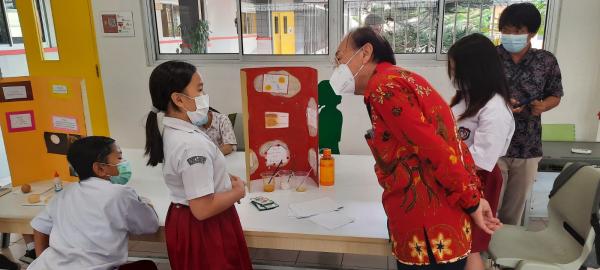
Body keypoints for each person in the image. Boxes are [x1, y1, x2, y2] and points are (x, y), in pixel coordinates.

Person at [330, 26, 501, 269]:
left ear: (365, 52)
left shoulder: (384, 88)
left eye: (339, 58)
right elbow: (450, 145)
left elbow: (435, 150)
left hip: (428, 228)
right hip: (441, 220)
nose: (337, 68)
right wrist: (473, 196)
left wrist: (473, 201)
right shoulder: (399, 78)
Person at [145, 60, 251, 270]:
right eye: (200, 90)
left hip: (187, 218)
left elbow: (188, 175)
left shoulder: (176, 132)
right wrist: (238, 192)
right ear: (178, 99)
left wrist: (221, 178)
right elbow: (202, 209)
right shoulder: (191, 144)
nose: (204, 97)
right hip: (204, 227)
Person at [28, 136, 160, 270]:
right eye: (119, 158)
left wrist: (41, 258)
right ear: (100, 169)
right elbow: (150, 226)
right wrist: (146, 203)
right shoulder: (120, 194)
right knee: (147, 266)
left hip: (47, 266)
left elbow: (39, 226)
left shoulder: (63, 194)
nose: (123, 162)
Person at [448, 33, 515, 270]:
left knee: (471, 246)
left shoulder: (495, 107)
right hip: (458, 176)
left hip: (479, 180)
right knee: (460, 241)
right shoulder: (466, 98)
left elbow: (481, 159)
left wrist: (444, 165)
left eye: (458, 70)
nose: (454, 76)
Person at [496, 3, 563, 225]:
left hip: (527, 145)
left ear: (532, 33)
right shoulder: (490, 57)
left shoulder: (546, 61)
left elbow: (556, 94)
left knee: (512, 212)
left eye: (517, 31)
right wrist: (500, 103)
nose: (510, 35)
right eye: (506, 30)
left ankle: (504, 256)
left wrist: (543, 106)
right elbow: (473, 92)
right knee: (489, 206)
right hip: (493, 144)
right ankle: (483, 256)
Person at [318, 80, 343, 154]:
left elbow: (323, 135)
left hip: (326, 149)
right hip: (332, 148)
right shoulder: (337, 113)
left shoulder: (325, 113)